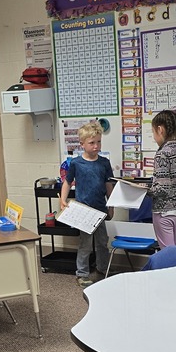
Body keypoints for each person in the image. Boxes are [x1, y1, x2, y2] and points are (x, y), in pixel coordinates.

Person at [58, 120, 114, 288]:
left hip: (100, 210)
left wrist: (111, 206)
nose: (96, 146)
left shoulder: (104, 163)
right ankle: (81, 273)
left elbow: (108, 185)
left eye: (98, 142)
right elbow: (67, 182)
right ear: (82, 144)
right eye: (92, 143)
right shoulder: (76, 163)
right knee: (85, 243)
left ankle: (102, 270)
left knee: (102, 242)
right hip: (83, 211)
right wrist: (63, 200)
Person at [146, 109, 176, 249]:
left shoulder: (163, 153)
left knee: (168, 254)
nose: (153, 137)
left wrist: (144, 190)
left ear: (160, 130)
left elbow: (162, 189)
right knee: (174, 249)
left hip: (163, 211)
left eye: (153, 132)